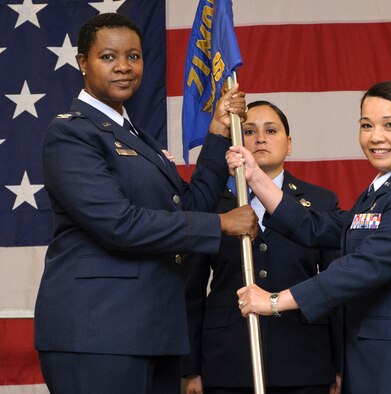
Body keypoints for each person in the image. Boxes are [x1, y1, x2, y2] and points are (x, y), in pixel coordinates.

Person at [34, 13, 257, 394]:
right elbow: (118, 224)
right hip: (98, 332)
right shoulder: (71, 132)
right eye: (108, 57)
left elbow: (190, 205)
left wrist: (218, 132)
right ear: (82, 63)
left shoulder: (136, 137)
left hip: (153, 331)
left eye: (133, 56)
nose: (123, 66)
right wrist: (220, 224)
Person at [229, 81, 391, 393]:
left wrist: (273, 301)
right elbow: (322, 227)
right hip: (371, 363)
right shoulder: (382, 191)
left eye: (390, 125)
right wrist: (255, 175)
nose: (375, 137)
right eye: (366, 125)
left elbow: (362, 268)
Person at [182, 101, 343, 394]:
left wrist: (340, 364)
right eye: (248, 131)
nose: (260, 139)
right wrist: (191, 367)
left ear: (289, 144)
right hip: (227, 360)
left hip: (303, 358)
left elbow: (337, 286)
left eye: (271, 130)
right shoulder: (210, 203)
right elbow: (191, 288)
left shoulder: (321, 202)